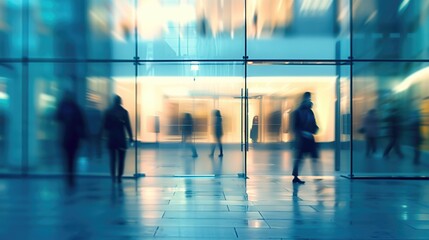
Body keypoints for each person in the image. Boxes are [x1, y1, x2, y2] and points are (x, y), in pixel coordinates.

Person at [55, 90, 86, 189]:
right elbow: (82, 123)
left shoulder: (65, 108)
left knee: (69, 159)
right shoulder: (75, 108)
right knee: (70, 159)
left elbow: (57, 118)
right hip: (72, 138)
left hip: (68, 138)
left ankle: (69, 178)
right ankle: (70, 178)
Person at [103, 95, 133, 183]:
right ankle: (119, 177)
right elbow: (128, 126)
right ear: (120, 101)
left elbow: (105, 126)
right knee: (121, 159)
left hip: (112, 138)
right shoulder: (124, 112)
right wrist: (131, 137)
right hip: (121, 138)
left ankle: (113, 177)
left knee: (112, 159)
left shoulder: (108, 112)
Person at [291, 92, 319, 184]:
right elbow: (295, 127)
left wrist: (315, 129)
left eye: (310, 99)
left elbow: (313, 123)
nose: (309, 100)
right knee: (300, 158)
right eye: (308, 99)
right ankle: (295, 176)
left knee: (313, 157)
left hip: (310, 138)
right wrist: (301, 133)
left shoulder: (310, 111)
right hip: (302, 139)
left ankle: (316, 175)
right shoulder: (298, 112)